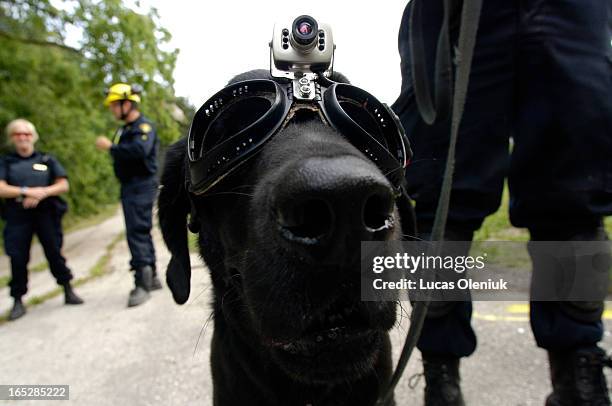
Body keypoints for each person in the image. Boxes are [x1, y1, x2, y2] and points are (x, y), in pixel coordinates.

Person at [393, 1, 612, 405]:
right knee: (438, 200)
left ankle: (578, 374)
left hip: (570, 10)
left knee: (576, 194)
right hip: (451, 12)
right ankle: (441, 380)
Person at [0, 119, 84, 321]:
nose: (23, 138)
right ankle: (18, 299)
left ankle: (67, 288)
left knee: (54, 251)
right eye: (18, 134)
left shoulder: (46, 160)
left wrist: (42, 193)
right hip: (18, 215)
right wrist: (26, 191)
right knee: (18, 257)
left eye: (26, 134)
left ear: (33, 137)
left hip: (46, 212)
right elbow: (1, 188)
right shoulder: (6, 162)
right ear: (12, 137)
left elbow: (63, 185)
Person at [95, 83, 161, 307]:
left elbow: (139, 152)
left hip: (140, 185)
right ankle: (151, 277)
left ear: (127, 103)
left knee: (137, 232)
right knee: (142, 230)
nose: (112, 110)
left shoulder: (143, 127)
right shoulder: (124, 129)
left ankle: (142, 284)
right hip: (130, 187)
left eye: (114, 105)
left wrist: (110, 148)